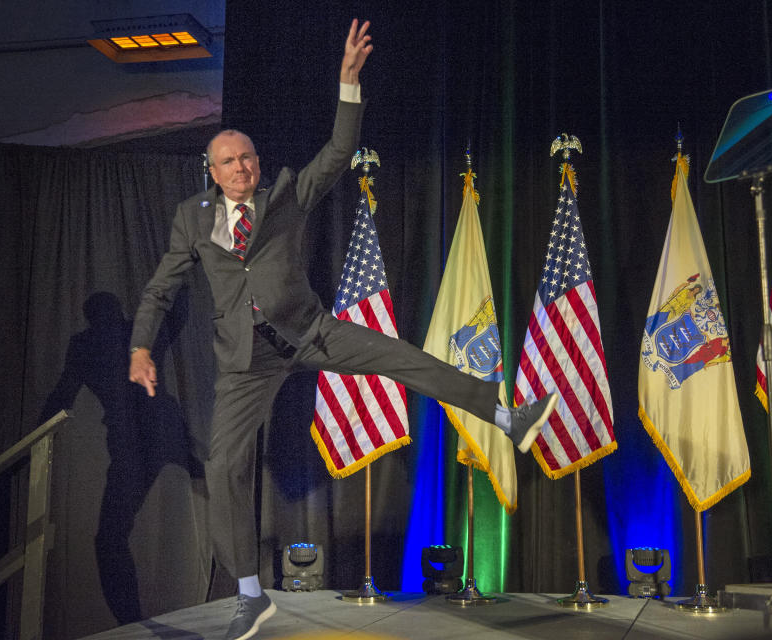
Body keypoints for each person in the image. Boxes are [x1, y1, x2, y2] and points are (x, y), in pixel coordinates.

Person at [128, 19, 557, 640]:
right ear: (212, 171)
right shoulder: (191, 220)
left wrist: (348, 84)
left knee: (405, 358)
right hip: (245, 361)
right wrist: (142, 346)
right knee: (225, 465)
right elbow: (162, 287)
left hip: (310, 332)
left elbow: (334, 155)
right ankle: (249, 593)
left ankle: (507, 417)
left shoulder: (285, 196)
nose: (243, 166)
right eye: (230, 161)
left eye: (248, 155)